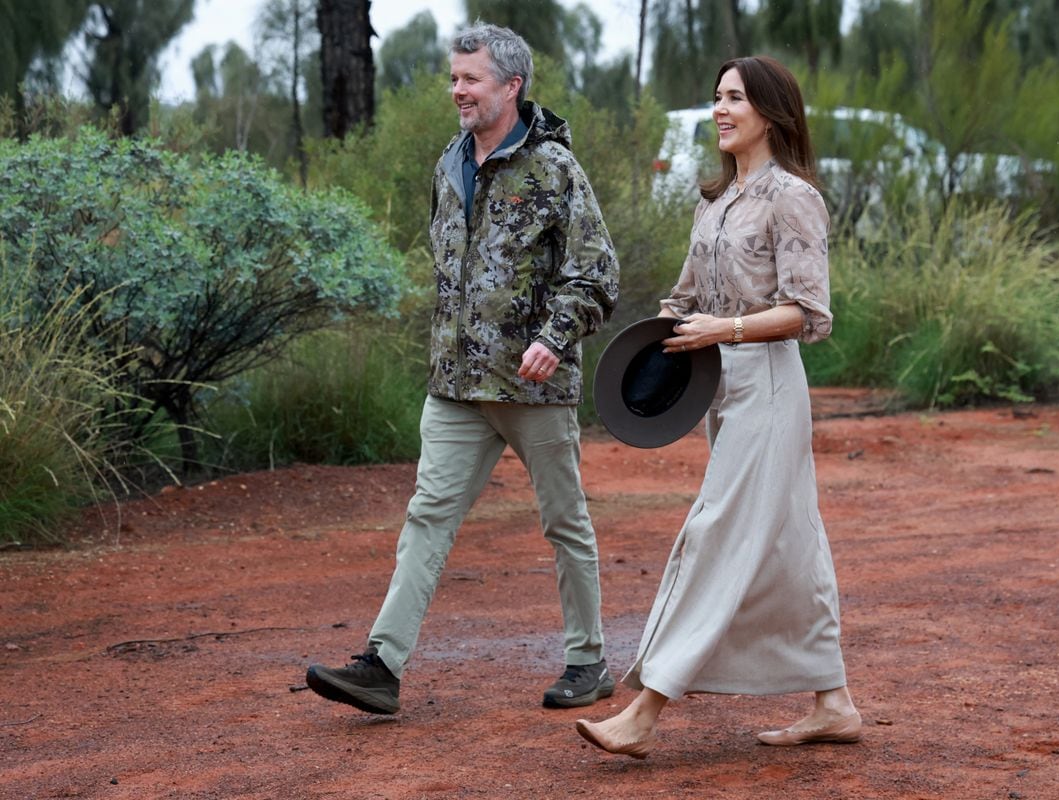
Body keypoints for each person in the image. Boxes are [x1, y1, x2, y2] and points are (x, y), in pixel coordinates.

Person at [305, 22, 620, 716]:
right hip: (454, 387)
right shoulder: (450, 162)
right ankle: (381, 667)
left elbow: (596, 275)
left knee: (563, 523)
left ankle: (589, 661)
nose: (457, 91)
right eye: (454, 78)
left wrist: (554, 337)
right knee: (427, 518)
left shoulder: (555, 168)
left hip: (533, 388)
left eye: (470, 79)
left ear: (512, 86)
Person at [575, 56, 859, 759]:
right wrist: (653, 342)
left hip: (767, 382)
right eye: (716, 98)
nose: (720, 109)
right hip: (720, 388)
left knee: (716, 533)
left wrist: (726, 329)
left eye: (735, 97)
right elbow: (687, 296)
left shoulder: (792, 197)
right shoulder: (714, 200)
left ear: (771, 110)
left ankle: (647, 707)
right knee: (792, 540)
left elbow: (809, 312)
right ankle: (834, 701)